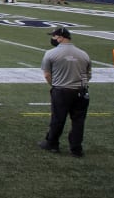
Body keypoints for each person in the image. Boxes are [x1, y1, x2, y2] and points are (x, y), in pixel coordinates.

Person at [38, 26, 92, 157]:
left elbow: (47, 74)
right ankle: (76, 149)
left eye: (54, 36)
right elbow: (88, 74)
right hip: (80, 91)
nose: (52, 39)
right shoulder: (83, 54)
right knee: (78, 121)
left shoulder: (51, 53)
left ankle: (52, 144)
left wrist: (54, 85)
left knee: (58, 119)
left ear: (60, 38)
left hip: (61, 91)